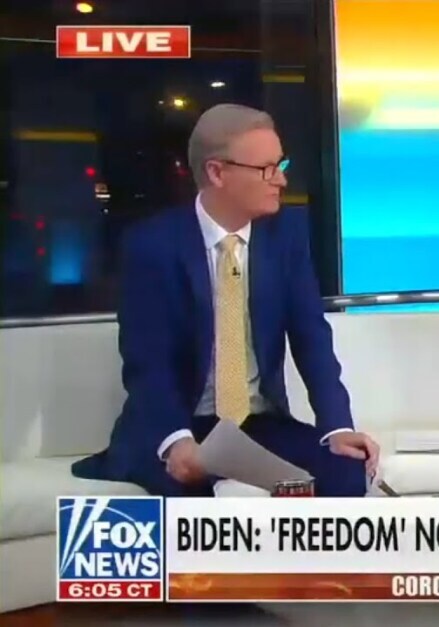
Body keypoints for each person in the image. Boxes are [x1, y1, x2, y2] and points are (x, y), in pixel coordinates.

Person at [72, 103, 380, 497]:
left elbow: (312, 340)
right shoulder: (152, 246)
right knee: (193, 493)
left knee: (345, 474)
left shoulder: (285, 236)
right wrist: (176, 440)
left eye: (281, 165)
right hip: (180, 424)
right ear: (217, 172)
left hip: (257, 422)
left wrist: (337, 427)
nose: (281, 180)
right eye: (266, 169)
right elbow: (148, 363)